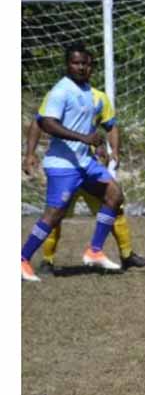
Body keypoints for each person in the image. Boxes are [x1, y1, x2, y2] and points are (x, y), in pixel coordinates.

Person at [20, 41, 130, 281]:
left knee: (114, 194)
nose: (81, 67)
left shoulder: (90, 93)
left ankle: (95, 250)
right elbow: (46, 123)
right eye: (76, 63)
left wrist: (100, 145)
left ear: (91, 67)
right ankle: (22, 258)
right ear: (68, 65)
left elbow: (99, 126)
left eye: (86, 64)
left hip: (84, 162)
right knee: (54, 215)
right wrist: (30, 154)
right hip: (63, 164)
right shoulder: (61, 91)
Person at [23, 117, 145, 274]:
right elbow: (40, 121)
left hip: (90, 170)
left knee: (115, 205)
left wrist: (109, 148)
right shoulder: (62, 98)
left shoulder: (98, 99)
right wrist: (30, 154)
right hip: (67, 170)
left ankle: (125, 255)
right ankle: (46, 260)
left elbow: (110, 126)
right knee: (54, 216)